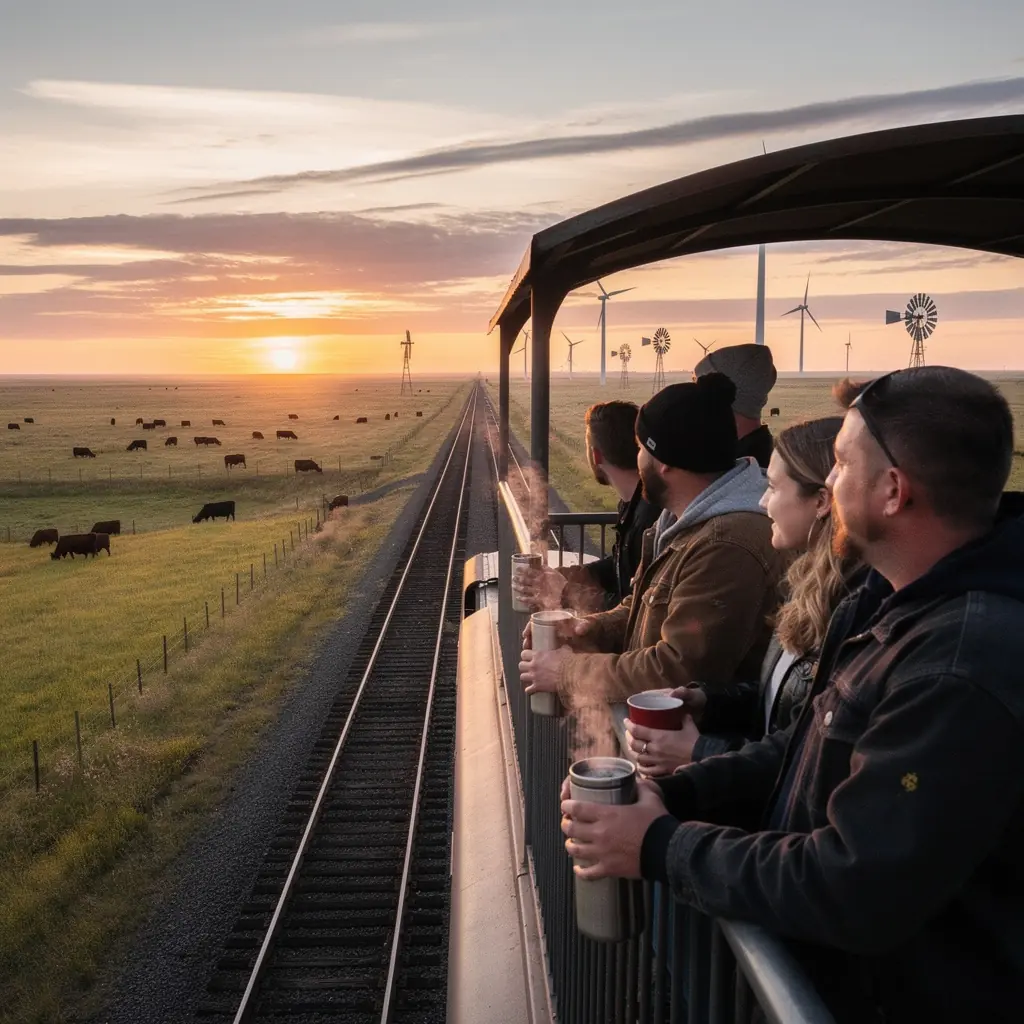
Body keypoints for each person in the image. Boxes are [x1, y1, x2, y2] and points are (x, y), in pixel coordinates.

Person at [561, 366, 1024, 1023]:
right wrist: (681, 788)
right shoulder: (890, 602)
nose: (829, 487)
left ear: (892, 490)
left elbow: (856, 881)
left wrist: (661, 845)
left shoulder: (956, 668)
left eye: (838, 465)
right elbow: (808, 738)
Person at [520, 373, 786, 720]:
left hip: (694, 756)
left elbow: (677, 669)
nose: (638, 458)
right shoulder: (682, 520)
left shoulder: (726, 545)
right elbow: (646, 603)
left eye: (642, 447)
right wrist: (591, 627)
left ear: (665, 462)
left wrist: (568, 672)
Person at [626, 416, 864, 774]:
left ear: (820, 501)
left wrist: (698, 751)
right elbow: (782, 699)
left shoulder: (853, 610)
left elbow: (810, 760)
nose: (763, 500)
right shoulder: (808, 585)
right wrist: (708, 700)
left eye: (773, 487)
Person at [512, 400, 660, 613]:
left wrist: (564, 591)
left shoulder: (649, 518)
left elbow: (631, 609)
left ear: (596, 455)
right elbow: (619, 568)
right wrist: (563, 575)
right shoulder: (637, 504)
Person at [694, 343, 777, 468]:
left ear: (721, 394)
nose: (692, 396)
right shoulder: (754, 454)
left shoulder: (742, 467)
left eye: (698, 385)